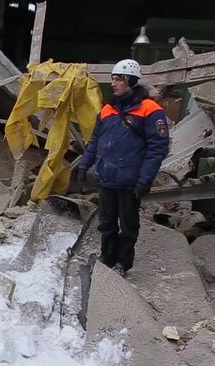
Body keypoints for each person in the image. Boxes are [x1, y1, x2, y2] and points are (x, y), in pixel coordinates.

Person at [77, 59, 169, 276]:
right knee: (106, 223)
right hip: (107, 178)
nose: (113, 83)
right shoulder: (108, 109)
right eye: (113, 79)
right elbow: (95, 141)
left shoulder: (150, 110)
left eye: (118, 79)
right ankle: (107, 257)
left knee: (128, 226)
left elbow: (157, 149)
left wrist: (145, 180)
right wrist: (84, 165)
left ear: (131, 81)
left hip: (130, 181)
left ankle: (123, 263)